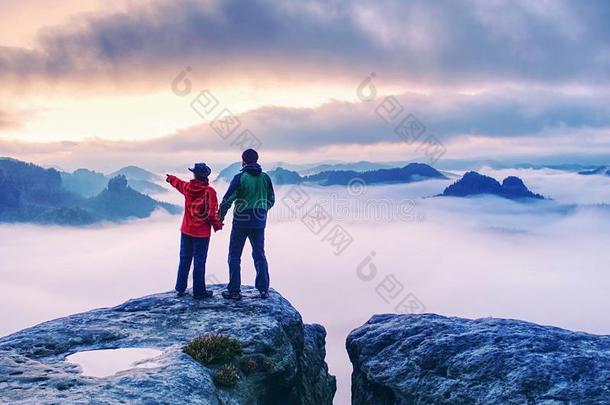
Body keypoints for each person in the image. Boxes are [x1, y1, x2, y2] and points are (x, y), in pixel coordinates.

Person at [219, 149, 275, 300]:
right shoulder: (265, 178)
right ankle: (263, 289)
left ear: (243, 160)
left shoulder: (240, 177)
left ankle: (234, 291)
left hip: (241, 221)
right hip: (259, 222)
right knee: (259, 254)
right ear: (256, 160)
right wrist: (261, 210)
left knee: (234, 255)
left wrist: (219, 218)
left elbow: (227, 200)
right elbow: (271, 199)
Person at [166, 163, 222, 299]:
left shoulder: (187, 187)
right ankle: (199, 292)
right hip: (201, 234)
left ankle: (180, 288)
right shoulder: (210, 192)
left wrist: (170, 178)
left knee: (184, 259)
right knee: (199, 261)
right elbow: (211, 214)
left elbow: (178, 183)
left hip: (186, 230)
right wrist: (218, 225)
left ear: (194, 174)